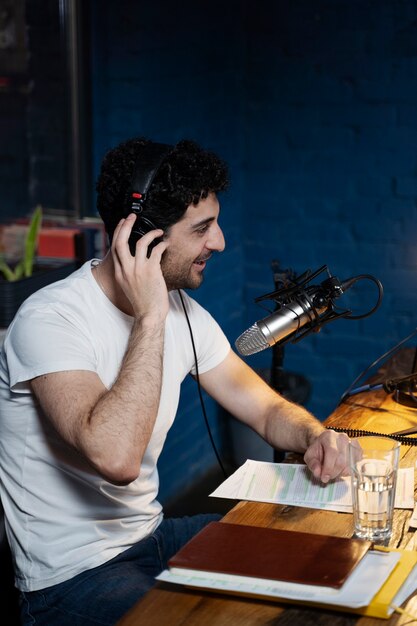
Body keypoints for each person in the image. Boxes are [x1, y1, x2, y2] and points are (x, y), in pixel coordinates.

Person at [0, 137, 349, 626]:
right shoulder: (50, 320)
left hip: (154, 536)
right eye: (202, 228)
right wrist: (149, 318)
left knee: (321, 551)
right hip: (72, 577)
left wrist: (313, 435)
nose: (220, 242)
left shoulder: (185, 313)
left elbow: (265, 409)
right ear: (142, 236)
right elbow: (116, 458)